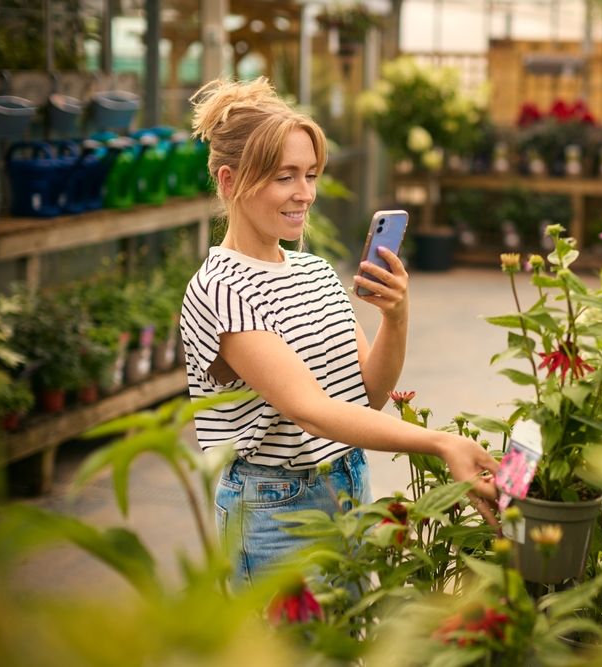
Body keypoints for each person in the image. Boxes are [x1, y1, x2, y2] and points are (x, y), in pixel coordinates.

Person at [179, 77, 498, 586]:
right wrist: (440, 442)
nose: (304, 194)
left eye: (310, 174)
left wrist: (396, 314)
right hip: (273, 510)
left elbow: (367, 395)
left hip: (348, 484)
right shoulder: (221, 288)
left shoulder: (313, 272)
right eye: (285, 177)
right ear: (229, 181)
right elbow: (312, 411)